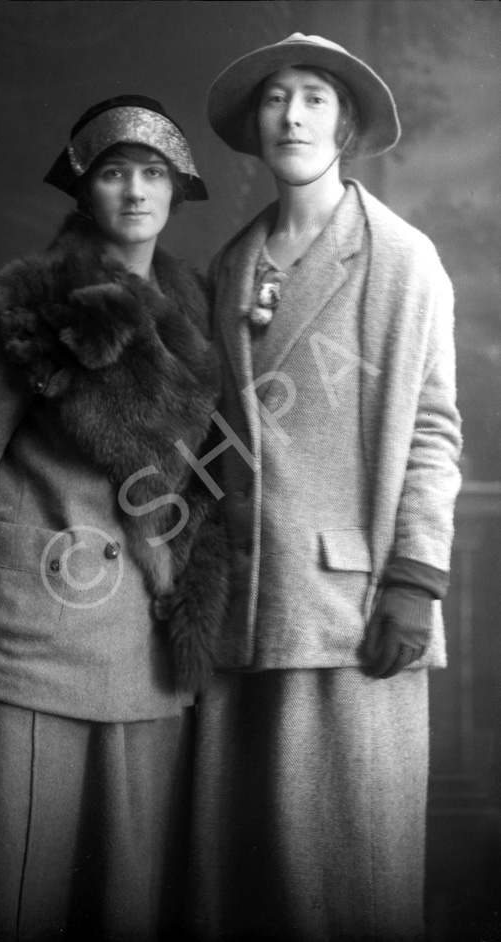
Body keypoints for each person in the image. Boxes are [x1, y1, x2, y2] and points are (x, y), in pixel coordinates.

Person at [0, 94, 227, 941]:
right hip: (26, 636)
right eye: (114, 173)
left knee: (122, 901)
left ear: (177, 191)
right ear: (84, 192)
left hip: (140, 633)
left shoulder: (195, 311)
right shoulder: (33, 302)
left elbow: (201, 476)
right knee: (2, 896)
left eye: (153, 173)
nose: (135, 191)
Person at [187, 34, 462, 942]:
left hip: (353, 601)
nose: (292, 115)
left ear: (344, 123)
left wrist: (416, 580)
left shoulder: (401, 257)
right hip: (241, 603)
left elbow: (432, 426)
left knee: (351, 873)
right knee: (247, 873)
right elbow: (222, 433)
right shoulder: (232, 263)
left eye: (312, 98)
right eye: (275, 98)